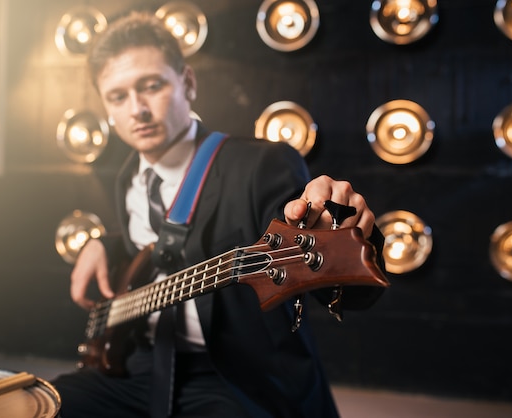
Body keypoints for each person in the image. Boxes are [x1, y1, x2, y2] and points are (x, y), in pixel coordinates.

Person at [51, 10, 386, 418]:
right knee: (40, 405)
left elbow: (317, 254)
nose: (136, 110)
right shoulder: (128, 179)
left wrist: (343, 228)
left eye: (151, 86)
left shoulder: (262, 165)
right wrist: (104, 244)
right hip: (139, 363)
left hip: (235, 376)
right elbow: (155, 246)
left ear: (187, 83)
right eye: (118, 97)